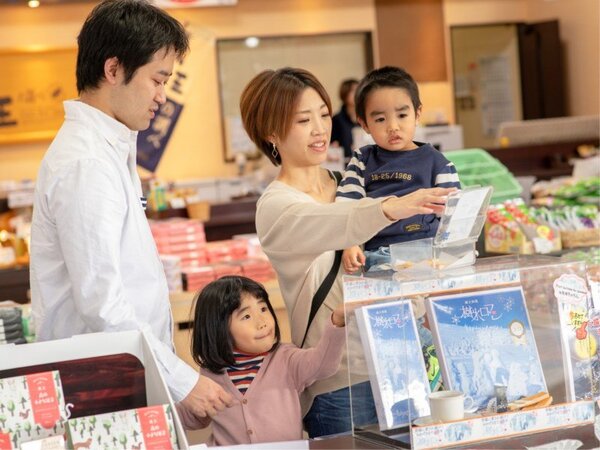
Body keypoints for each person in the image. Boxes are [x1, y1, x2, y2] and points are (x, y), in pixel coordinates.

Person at [29, 0, 232, 421]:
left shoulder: (110, 148)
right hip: (98, 390)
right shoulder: (85, 163)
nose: (161, 97)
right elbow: (102, 304)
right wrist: (182, 382)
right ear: (113, 69)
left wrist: (170, 383)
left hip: (121, 376)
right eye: (157, 80)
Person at [239, 67, 454, 437]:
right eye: (304, 120)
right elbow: (337, 221)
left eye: (324, 114)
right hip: (338, 381)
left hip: (400, 362)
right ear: (271, 133)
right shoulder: (277, 205)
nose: (320, 129)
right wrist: (393, 206)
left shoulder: (350, 183)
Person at [177, 275, 346, 446]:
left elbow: (322, 365)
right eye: (247, 317)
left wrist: (337, 322)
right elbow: (193, 418)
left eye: (263, 309)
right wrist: (178, 402)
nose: (262, 322)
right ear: (218, 328)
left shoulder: (286, 358)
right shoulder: (209, 374)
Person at [337, 66, 461, 273]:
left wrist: (455, 250)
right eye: (380, 119)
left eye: (402, 115)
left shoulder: (439, 163)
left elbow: (453, 216)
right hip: (380, 254)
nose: (393, 126)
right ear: (364, 124)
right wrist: (349, 244)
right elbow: (346, 207)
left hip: (429, 251)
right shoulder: (362, 160)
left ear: (417, 113)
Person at [331, 78, 360, 161]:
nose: (357, 94)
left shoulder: (366, 117)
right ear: (345, 94)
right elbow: (333, 144)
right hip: (344, 163)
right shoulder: (336, 120)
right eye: (353, 91)